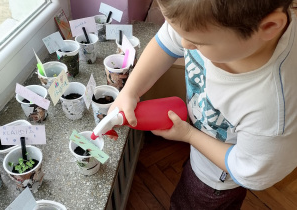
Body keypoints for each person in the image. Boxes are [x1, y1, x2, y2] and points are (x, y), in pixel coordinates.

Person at [109, 0, 297, 209]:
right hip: (202, 145)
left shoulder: (273, 112)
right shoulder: (214, 26)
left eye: (198, 43)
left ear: (269, 27)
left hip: (217, 179)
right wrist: (130, 90)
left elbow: (246, 168)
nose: (184, 44)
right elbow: (168, 41)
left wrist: (188, 135)